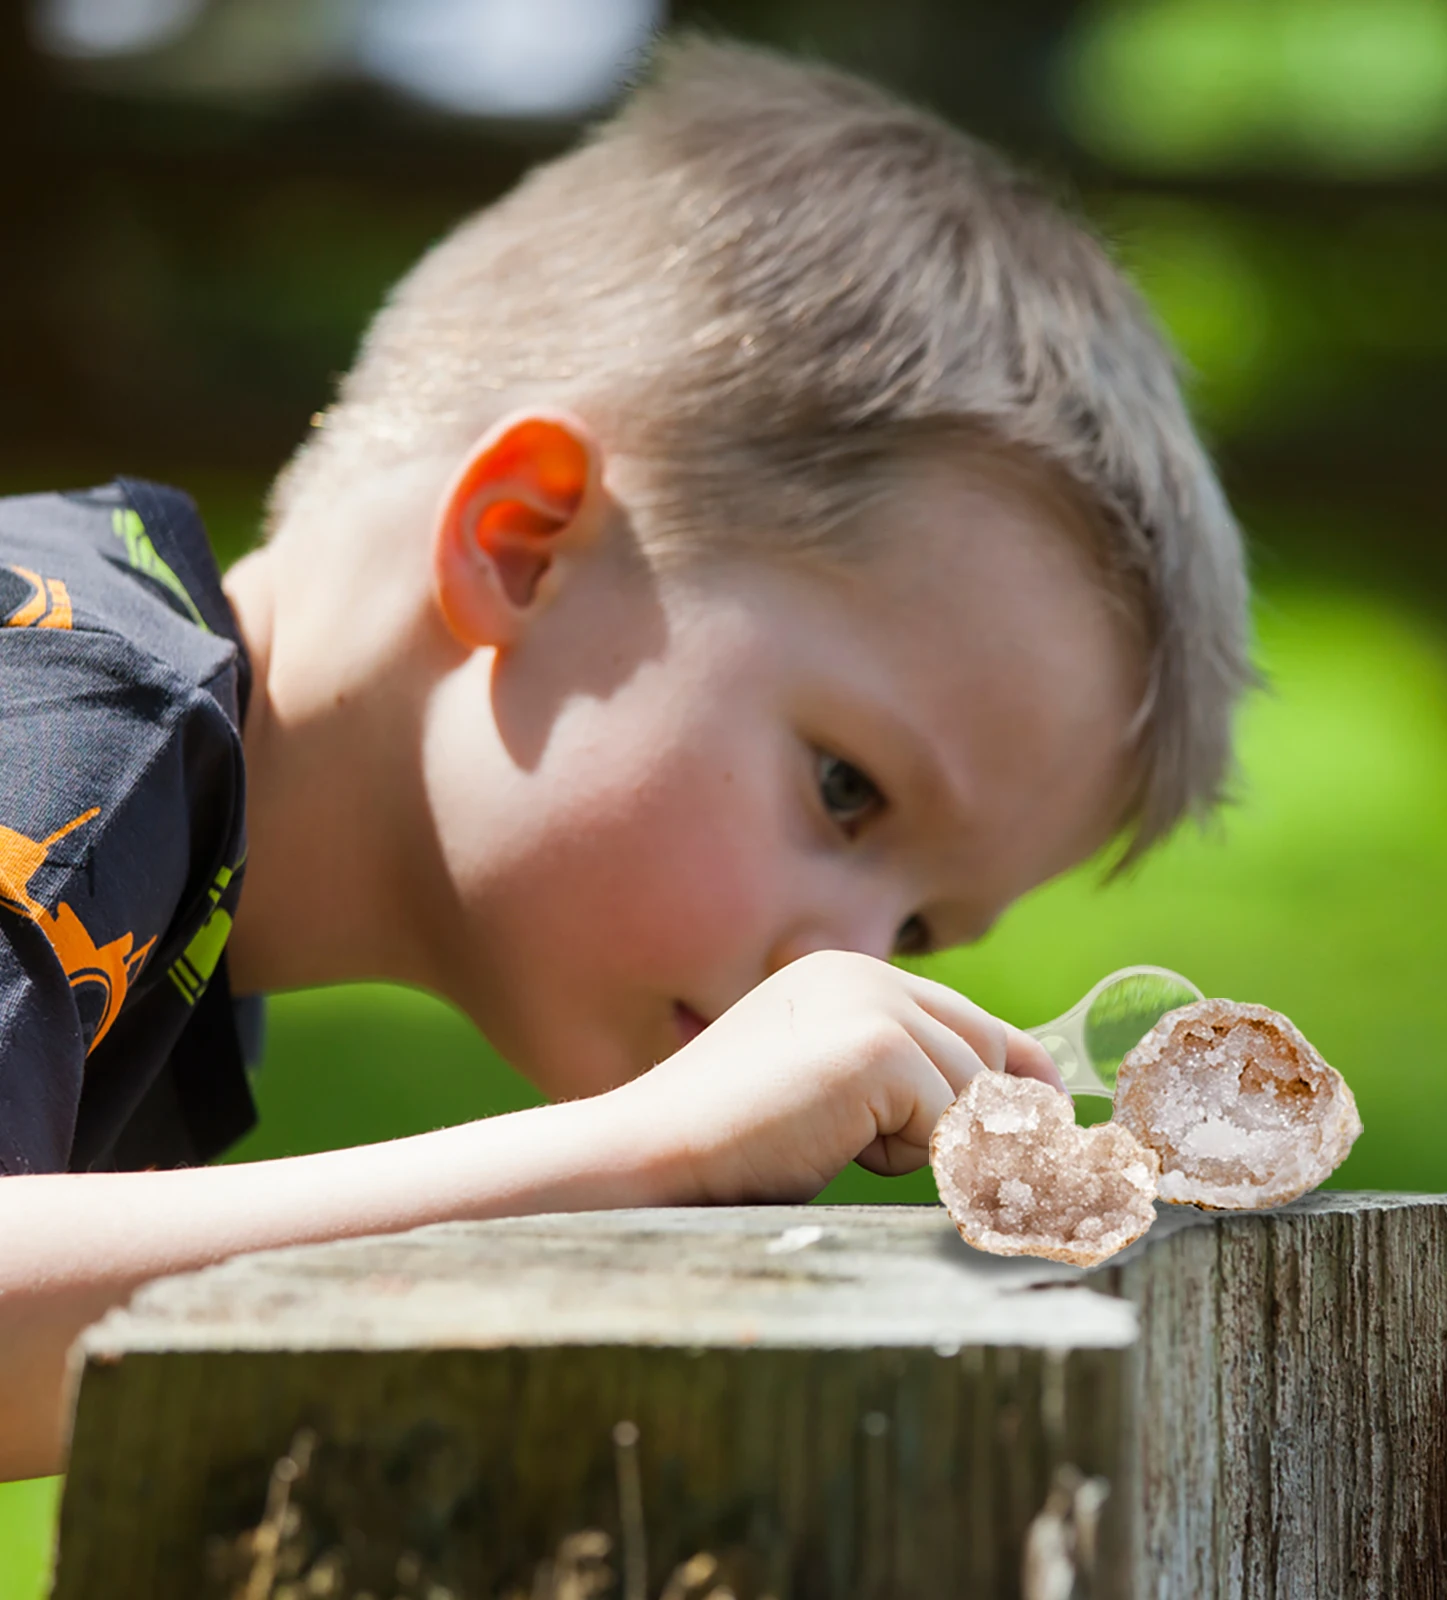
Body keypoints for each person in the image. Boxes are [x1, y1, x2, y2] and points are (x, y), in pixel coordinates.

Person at [0, 37, 1249, 1479]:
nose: (844, 964)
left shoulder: (174, 868)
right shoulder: (69, 705)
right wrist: (640, 1147)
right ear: (523, 544)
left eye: (917, 927)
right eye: (847, 790)